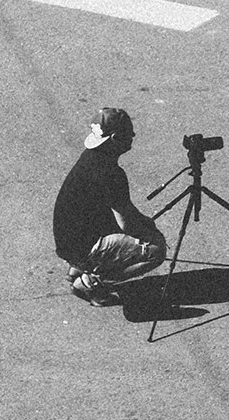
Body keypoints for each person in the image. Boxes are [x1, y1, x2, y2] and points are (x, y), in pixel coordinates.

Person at [52, 105, 169, 299]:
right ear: (115, 138)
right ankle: (93, 281)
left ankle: (77, 268)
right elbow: (126, 223)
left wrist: (142, 219)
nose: (133, 135)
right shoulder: (112, 173)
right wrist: (149, 232)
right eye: (129, 132)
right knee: (156, 249)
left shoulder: (89, 158)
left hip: (67, 241)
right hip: (83, 247)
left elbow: (121, 208)